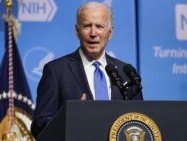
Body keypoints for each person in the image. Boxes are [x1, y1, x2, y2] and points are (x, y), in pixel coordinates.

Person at [31, 1, 143, 139]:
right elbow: (38, 126)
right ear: (77, 31)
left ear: (110, 33)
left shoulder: (125, 73)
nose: (93, 33)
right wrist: (69, 118)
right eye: (87, 26)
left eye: (99, 26)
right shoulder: (56, 71)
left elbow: (140, 120)